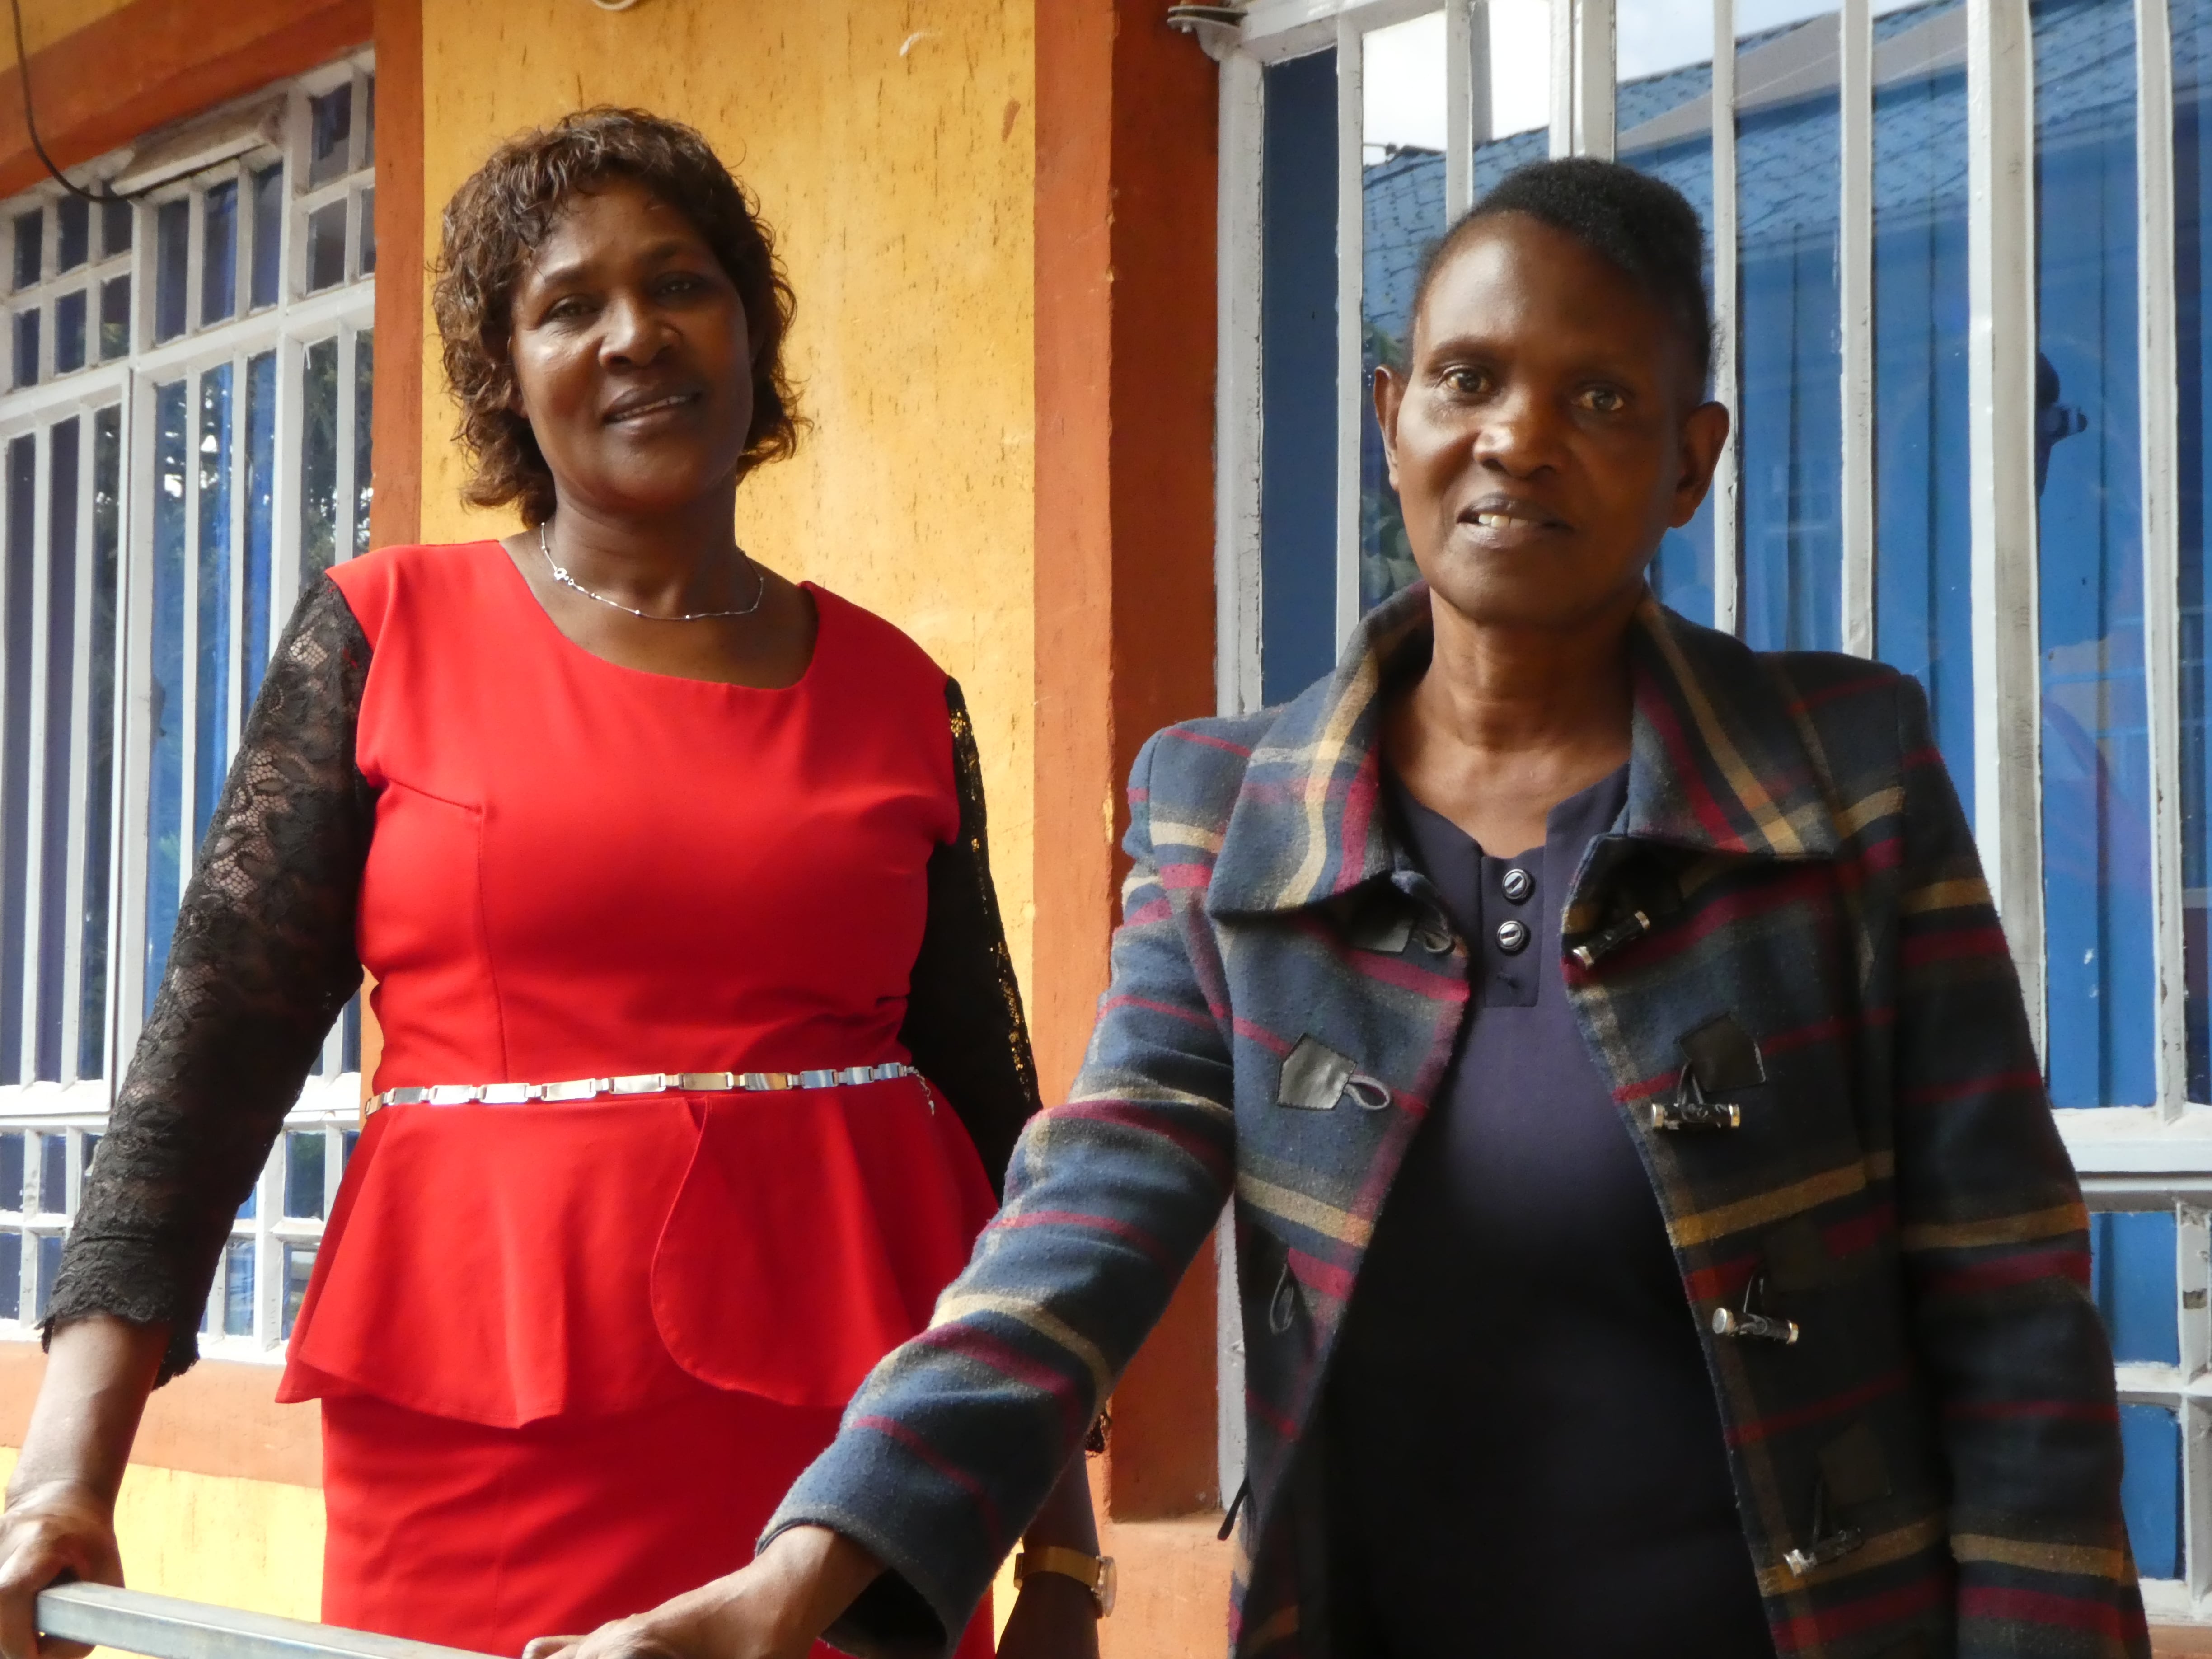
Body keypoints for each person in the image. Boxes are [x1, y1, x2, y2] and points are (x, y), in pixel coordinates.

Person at [538, 159, 2152, 1659]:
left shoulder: (1841, 778)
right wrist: (799, 1573)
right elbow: (1082, 1221)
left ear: (1691, 460)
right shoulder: (1236, 813)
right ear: (1393, 420)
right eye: (1467, 379)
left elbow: (2005, 1290)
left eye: (1599, 396)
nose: (1517, 437)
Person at [0, 108, 1099, 1659]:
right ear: (506, 372)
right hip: (484, 1425)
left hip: (855, 1462)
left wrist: (1061, 1556)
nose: (636, 335)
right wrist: (64, 1473)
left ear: (752, 328)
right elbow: (204, 1077)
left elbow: (999, 1134)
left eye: (682, 284)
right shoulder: (389, 633)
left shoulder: (902, 692)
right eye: (570, 304)